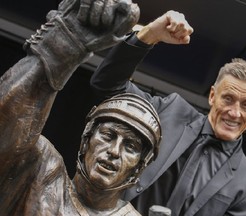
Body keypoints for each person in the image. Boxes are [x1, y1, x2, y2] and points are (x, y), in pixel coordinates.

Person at [90, 10, 246, 216]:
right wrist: (149, 35)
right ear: (212, 96)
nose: (234, 113)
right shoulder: (171, 111)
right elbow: (106, 86)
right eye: (227, 99)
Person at [0, 0, 163, 215]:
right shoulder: (40, 171)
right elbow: (7, 127)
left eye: (130, 147)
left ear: (140, 166)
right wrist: (61, 46)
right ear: (87, 137)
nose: (114, 152)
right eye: (108, 135)